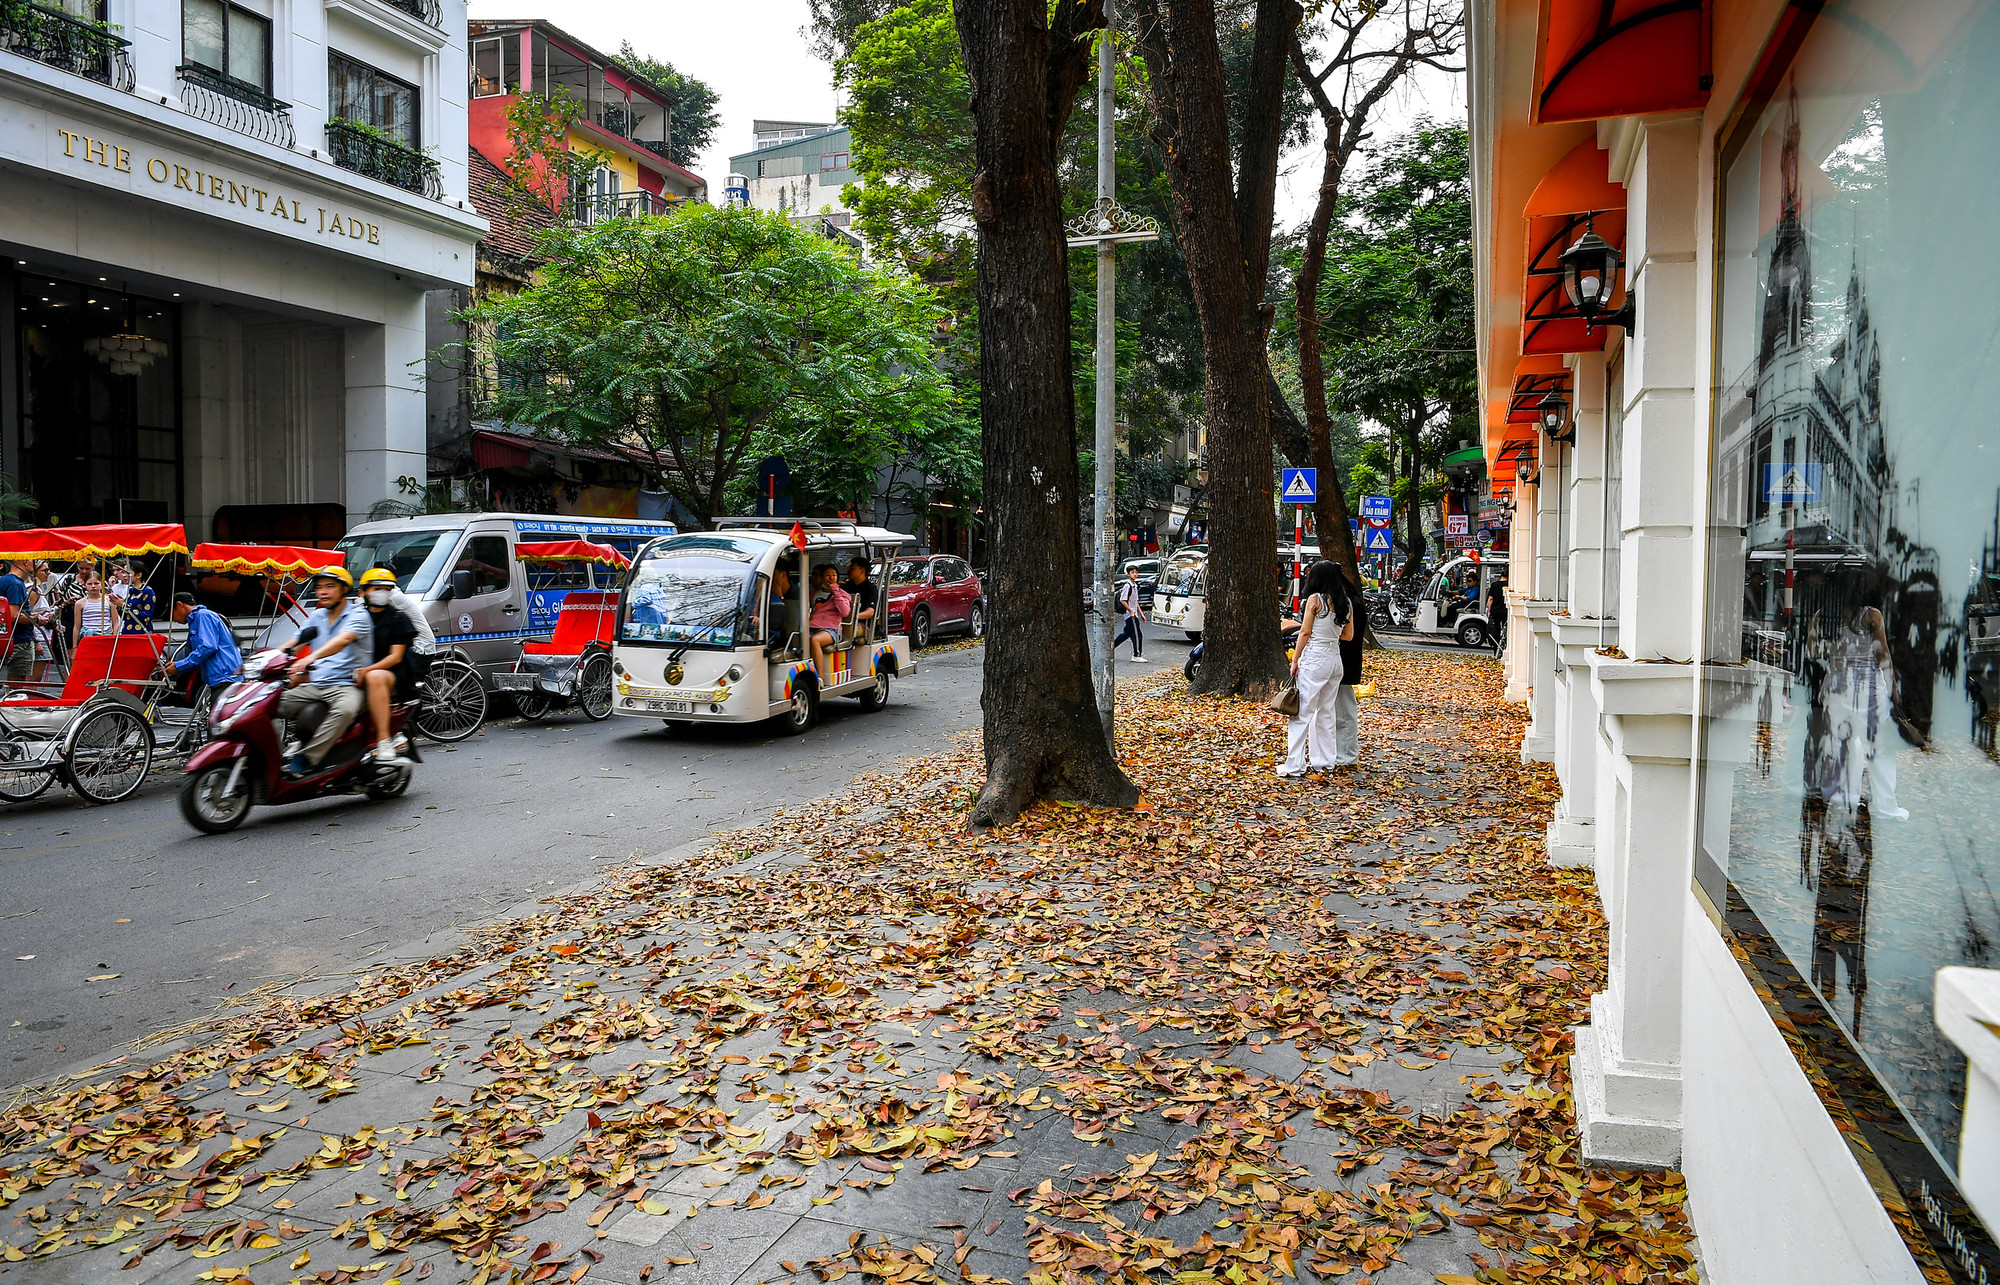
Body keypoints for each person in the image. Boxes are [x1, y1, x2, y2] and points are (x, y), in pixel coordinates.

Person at [278, 567, 372, 776]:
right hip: (317, 684)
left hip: (347, 685)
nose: (323, 592)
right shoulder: (318, 616)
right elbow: (294, 643)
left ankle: (308, 758)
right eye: (319, 587)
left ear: (344, 590)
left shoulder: (358, 615)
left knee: (346, 709)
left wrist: (312, 657)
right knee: (269, 703)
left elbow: (343, 640)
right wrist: (267, 660)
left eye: (330, 587)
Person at [1277, 560, 1353, 779]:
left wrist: (1295, 659)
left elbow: (1305, 633)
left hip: (1315, 658)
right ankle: (1325, 763)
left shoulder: (1315, 600)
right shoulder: (1345, 602)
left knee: (1302, 713)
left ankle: (1294, 765)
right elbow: (1348, 636)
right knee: (1326, 712)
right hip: (1334, 659)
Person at [354, 568, 417, 765]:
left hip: (393, 675)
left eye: (386, 589)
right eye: (376, 588)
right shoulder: (354, 617)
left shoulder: (398, 619)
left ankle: (383, 739)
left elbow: (395, 657)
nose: (381, 592)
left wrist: (367, 671)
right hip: (356, 672)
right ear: (362, 592)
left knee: (375, 677)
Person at [163, 592, 242, 701]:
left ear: (179, 605)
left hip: (225, 678)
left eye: (172, 614)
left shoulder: (203, 615)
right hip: (218, 679)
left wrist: (178, 666)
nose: (174, 619)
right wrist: (177, 666)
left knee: (220, 717)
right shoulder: (195, 621)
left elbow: (208, 647)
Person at [1331, 571, 1364, 767]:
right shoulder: (1353, 602)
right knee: (1342, 710)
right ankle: (1344, 753)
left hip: (1345, 663)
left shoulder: (1351, 605)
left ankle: (1346, 755)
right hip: (1346, 664)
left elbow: (1348, 638)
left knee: (1343, 711)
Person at [807, 563, 851, 681]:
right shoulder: (813, 594)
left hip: (832, 630)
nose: (831, 578)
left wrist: (836, 592)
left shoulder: (842, 594)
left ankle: (820, 677)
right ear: (821, 578)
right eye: (827, 575)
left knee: (815, 640)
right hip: (812, 627)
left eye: (834, 575)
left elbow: (845, 612)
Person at [0, 560, 31, 688]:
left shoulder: (5, 580)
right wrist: (36, 619)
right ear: (25, 561)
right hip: (18, 639)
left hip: (9, 638)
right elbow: (13, 615)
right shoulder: (15, 583)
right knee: (17, 685)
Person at [68, 568, 121, 640]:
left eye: (96, 583)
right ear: (84, 585)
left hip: (106, 634)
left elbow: (115, 624)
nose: (93, 586)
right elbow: (77, 627)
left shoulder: (109, 600)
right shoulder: (79, 603)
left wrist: (114, 639)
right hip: (87, 635)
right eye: (90, 584)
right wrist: (74, 647)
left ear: (101, 584)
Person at [110, 559, 156, 633]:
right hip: (127, 631)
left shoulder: (147, 591)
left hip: (141, 633)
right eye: (123, 572)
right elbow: (125, 616)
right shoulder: (131, 590)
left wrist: (124, 605)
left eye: (127, 573)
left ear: (138, 575)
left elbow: (146, 617)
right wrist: (119, 605)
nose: (124, 575)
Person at [1114, 564, 1148, 662]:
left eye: (1136, 572)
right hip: (1130, 615)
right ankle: (1136, 655)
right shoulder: (1127, 586)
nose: (1135, 574)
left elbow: (1135, 602)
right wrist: (1131, 611)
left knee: (1126, 634)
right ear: (1128, 574)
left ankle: (1111, 647)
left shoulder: (1135, 586)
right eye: (1132, 573)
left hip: (1134, 614)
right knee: (1137, 635)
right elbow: (1123, 600)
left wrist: (1141, 614)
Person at [846, 556, 878, 633]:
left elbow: (870, 612)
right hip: (845, 621)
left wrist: (853, 617)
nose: (849, 570)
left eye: (852, 568)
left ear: (862, 571)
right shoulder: (847, 586)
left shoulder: (870, 589)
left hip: (862, 624)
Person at [1486, 576, 1507, 655]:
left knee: (1495, 630)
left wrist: (1489, 610)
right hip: (1505, 611)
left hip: (1496, 611)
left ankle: (1496, 648)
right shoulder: (1509, 584)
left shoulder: (1494, 585)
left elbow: (1491, 599)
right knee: (1506, 629)